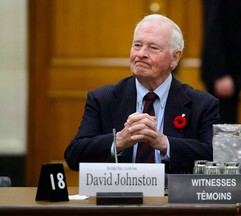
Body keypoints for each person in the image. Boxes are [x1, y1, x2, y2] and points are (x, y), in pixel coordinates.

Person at [64, 14, 220, 174]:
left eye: (153, 48)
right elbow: (74, 155)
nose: (141, 54)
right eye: (137, 45)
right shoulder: (102, 99)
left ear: (175, 57)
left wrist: (165, 143)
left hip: (172, 197)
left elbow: (216, 158)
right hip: (120, 196)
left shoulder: (202, 104)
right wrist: (119, 141)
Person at [200, 0, 241, 124]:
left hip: (236, 70)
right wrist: (220, 74)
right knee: (223, 129)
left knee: (230, 125)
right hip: (224, 74)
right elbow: (213, 29)